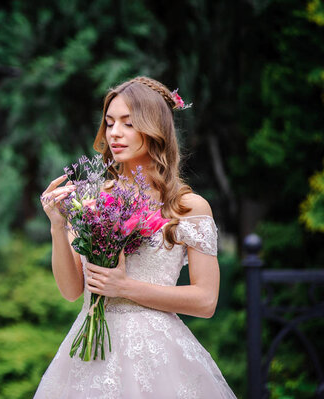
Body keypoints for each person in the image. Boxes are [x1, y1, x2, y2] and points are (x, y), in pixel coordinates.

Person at [35, 76, 237, 398]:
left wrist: (125, 287)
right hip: (91, 358)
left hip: (158, 357)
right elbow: (71, 290)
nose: (114, 133)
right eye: (110, 122)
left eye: (128, 124)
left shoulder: (189, 207)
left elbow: (205, 300)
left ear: (154, 129)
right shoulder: (92, 199)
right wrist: (57, 226)